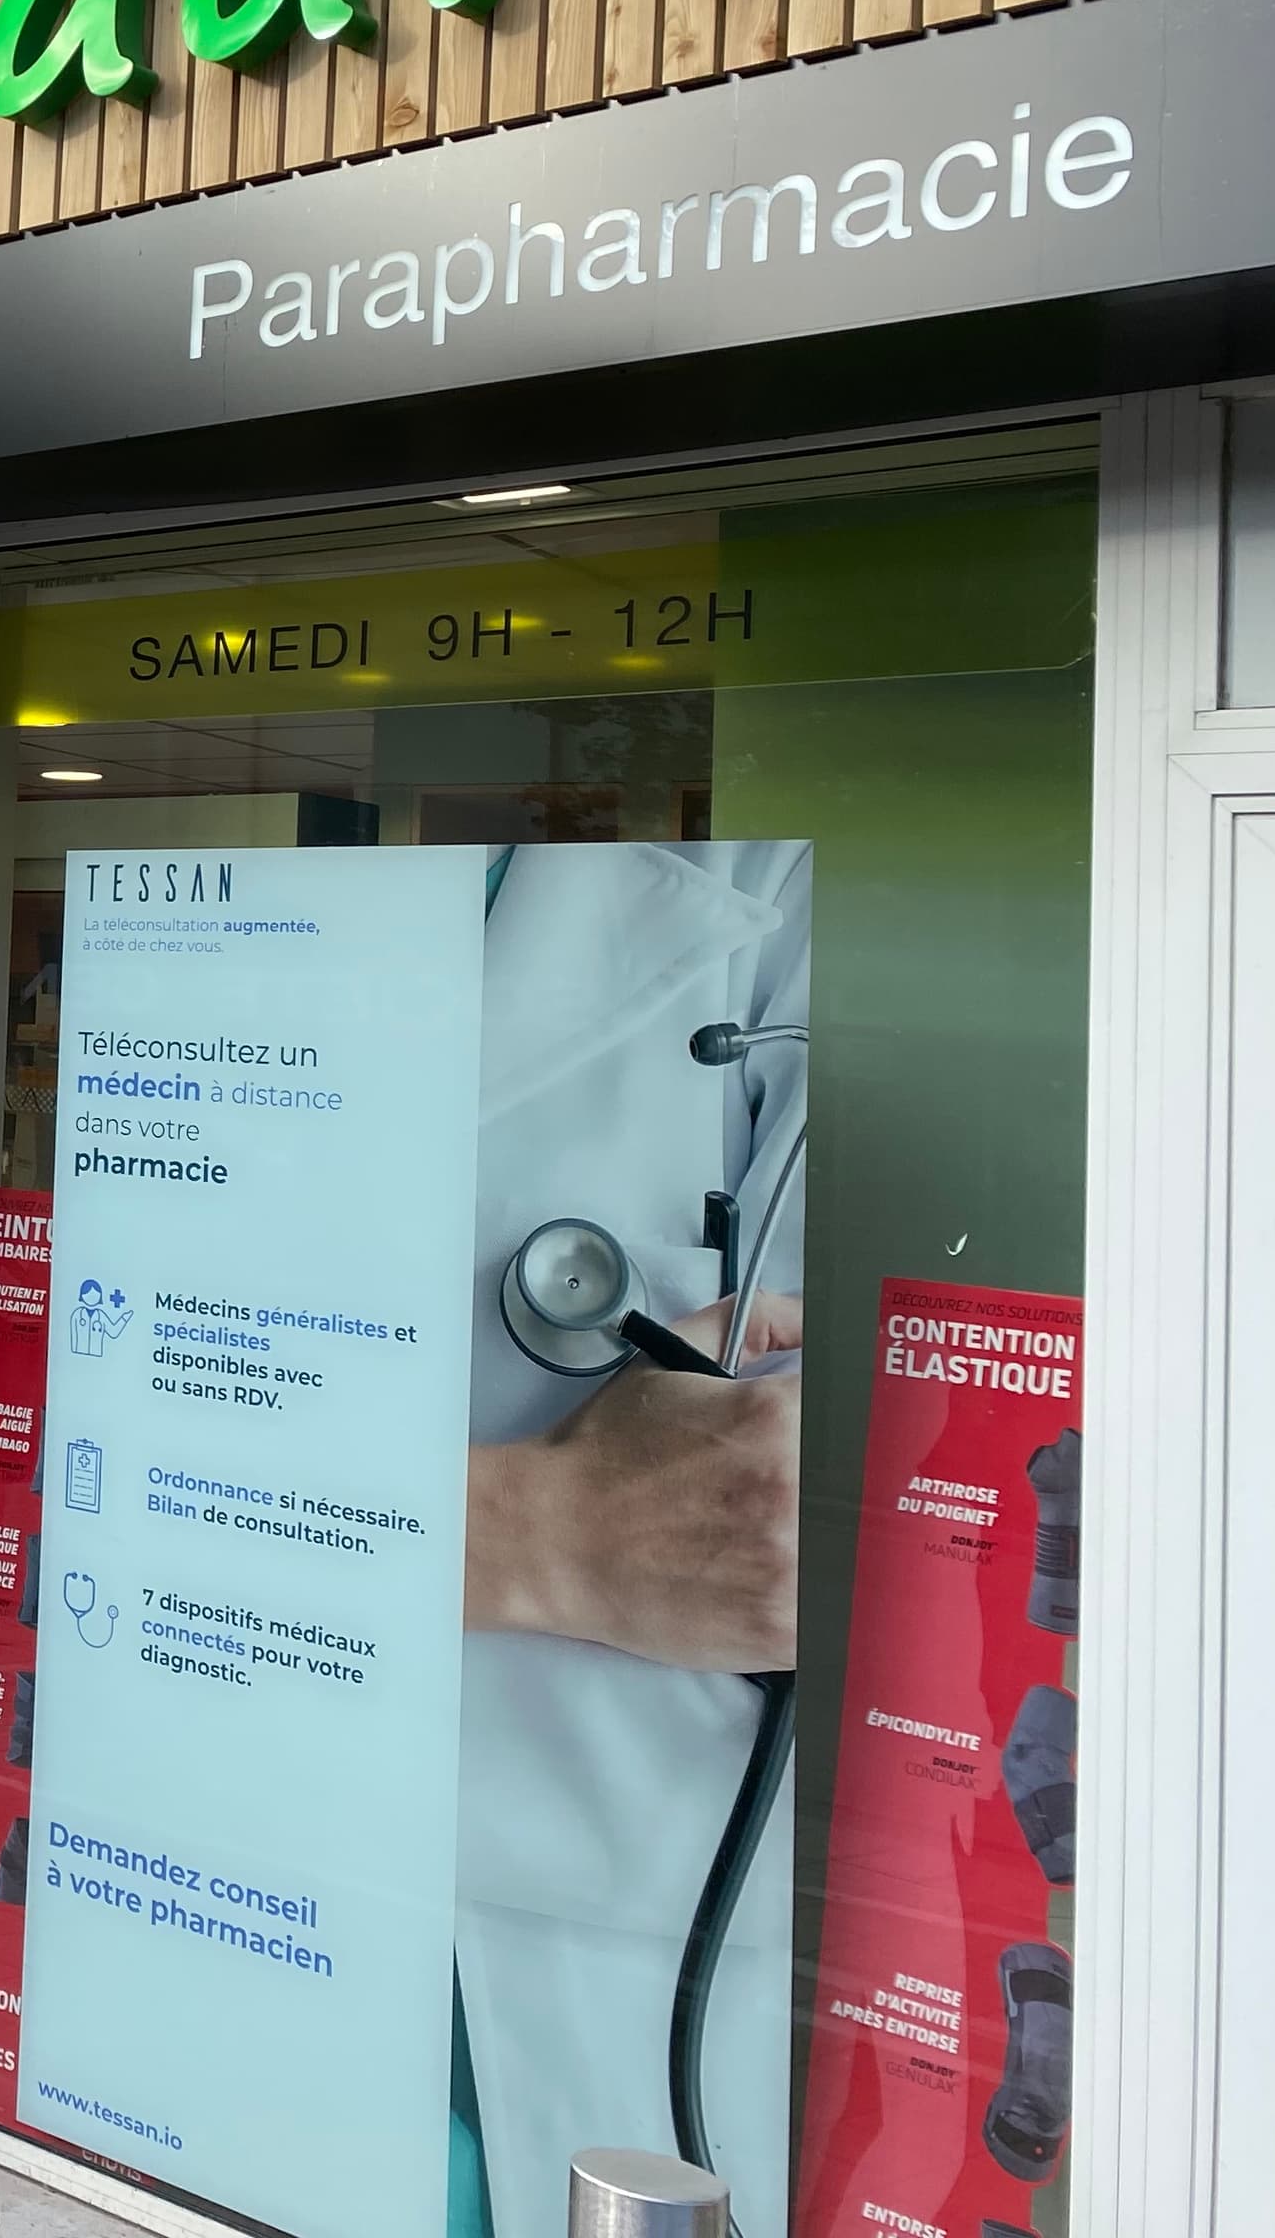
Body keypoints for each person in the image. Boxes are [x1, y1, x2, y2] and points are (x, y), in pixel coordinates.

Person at [452, 840, 811, 2238]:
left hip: (630, 1957)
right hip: (242, 1890)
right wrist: (534, 1531)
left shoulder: (796, 876)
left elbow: (826, 1501)